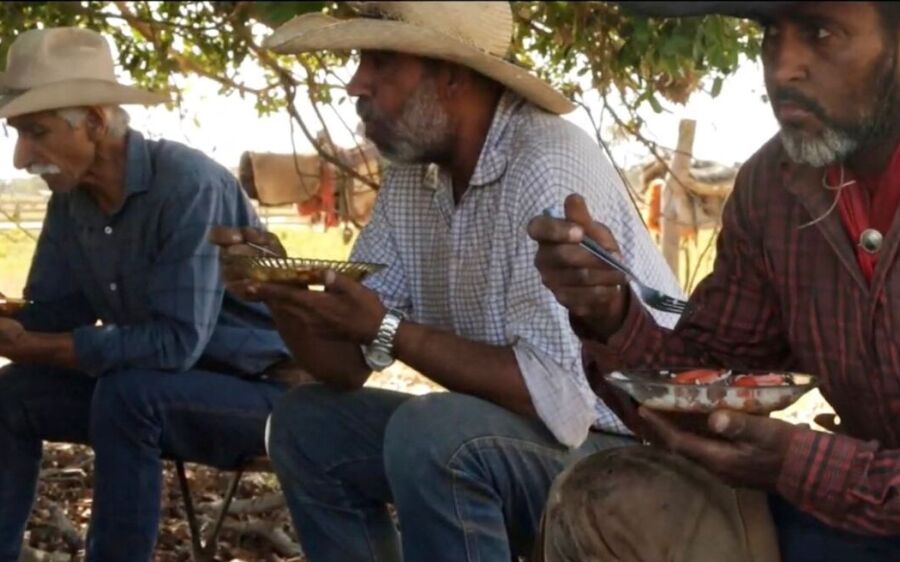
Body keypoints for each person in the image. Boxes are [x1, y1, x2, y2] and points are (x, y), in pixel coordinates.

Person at [210, 2, 682, 561]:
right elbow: (345, 366)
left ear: (452, 74)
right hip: (526, 442)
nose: (355, 83)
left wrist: (389, 328)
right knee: (304, 424)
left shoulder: (544, 161)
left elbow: (556, 398)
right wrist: (281, 291)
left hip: (634, 455)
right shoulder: (415, 176)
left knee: (434, 434)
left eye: (381, 61)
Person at [528, 2, 900, 561]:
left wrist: (797, 463)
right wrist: (609, 312)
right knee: (606, 502)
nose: (781, 68)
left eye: (821, 32)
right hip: (861, 522)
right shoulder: (773, 188)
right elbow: (711, 378)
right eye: (772, 34)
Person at [0, 27, 292, 561]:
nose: (21, 158)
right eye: (16, 134)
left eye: (35, 132)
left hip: (260, 395)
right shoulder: (72, 199)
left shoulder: (187, 186)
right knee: (10, 394)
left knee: (128, 395)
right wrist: (15, 325)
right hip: (151, 391)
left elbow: (175, 345)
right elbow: (52, 314)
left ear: (93, 121)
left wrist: (37, 345)